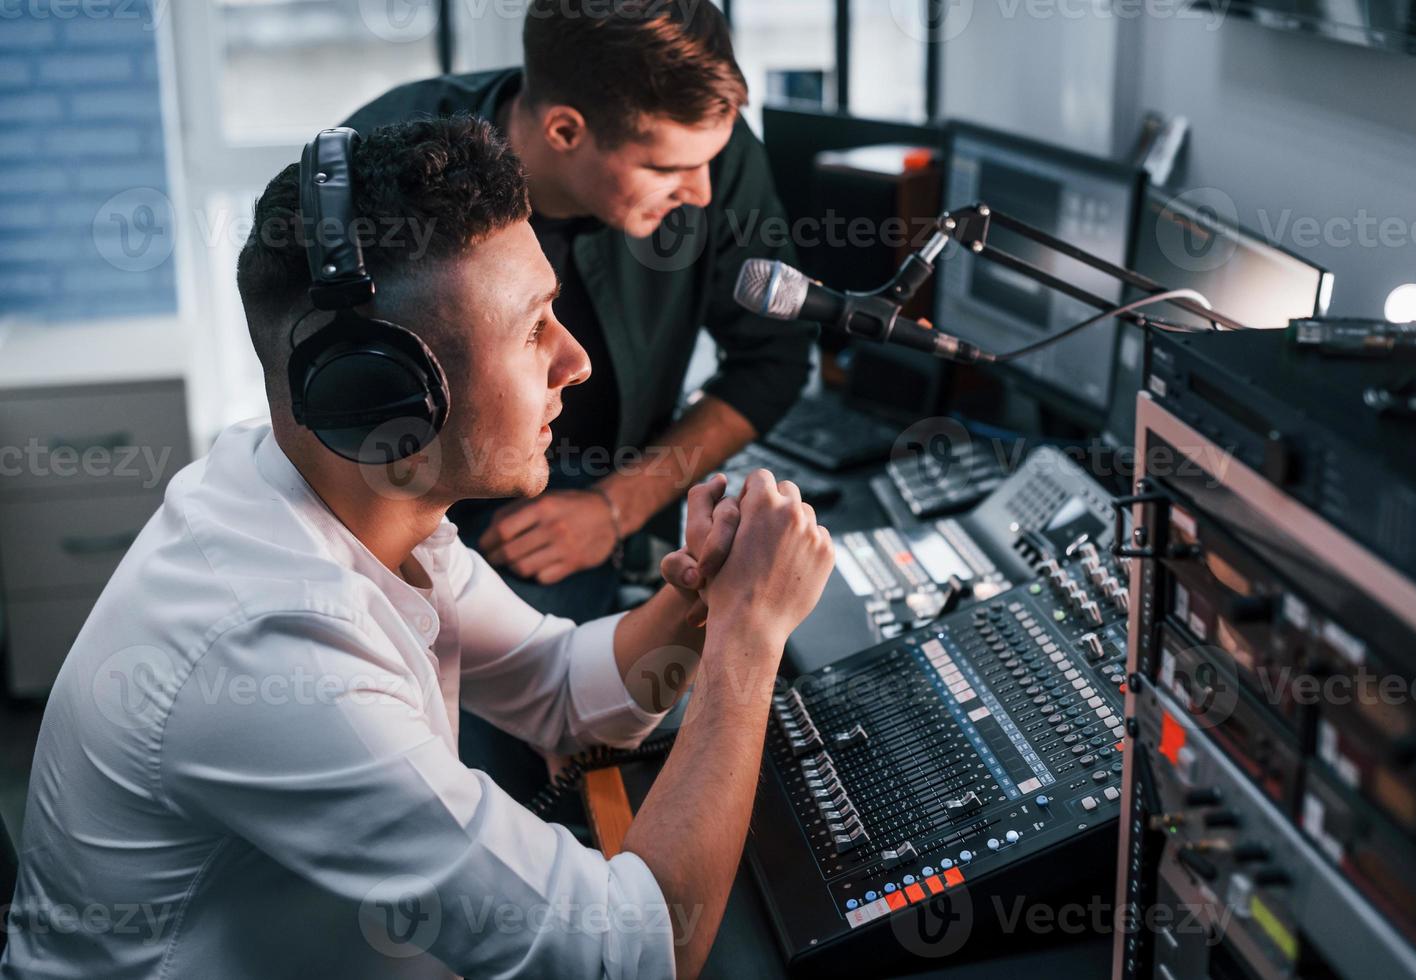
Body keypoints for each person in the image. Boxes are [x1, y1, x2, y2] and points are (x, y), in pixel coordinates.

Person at [0, 116, 833, 979]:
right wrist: (749, 642)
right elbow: (632, 956)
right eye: (531, 329)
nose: (575, 361)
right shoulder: (267, 645)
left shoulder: (332, 496)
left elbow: (560, 691)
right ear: (381, 392)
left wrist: (704, 602)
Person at [344, 0, 814, 625]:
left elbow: (773, 359)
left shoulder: (708, 144)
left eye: (709, 161)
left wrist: (616, 506)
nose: (702, 191)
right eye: (666, 168)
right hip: (414, 504)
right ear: (566, 131)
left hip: (599, 496)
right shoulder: (374, 158)